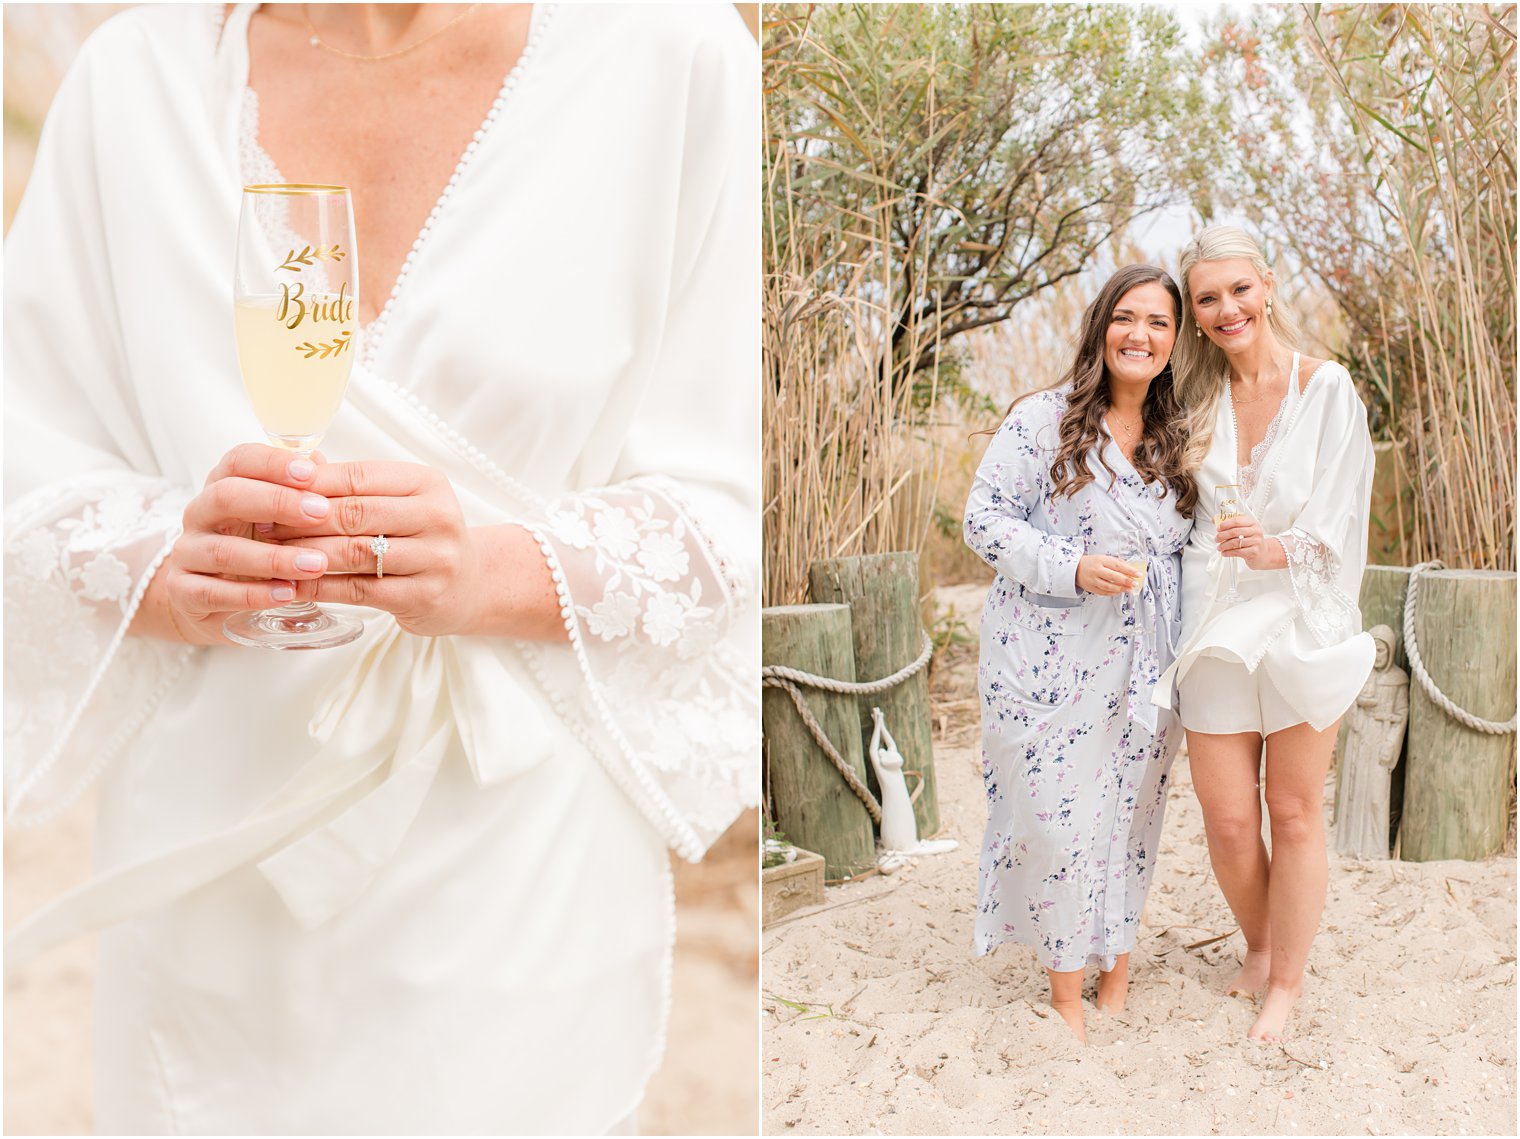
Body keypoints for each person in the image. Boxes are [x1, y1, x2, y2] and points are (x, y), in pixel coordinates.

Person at [3, 4, 758, 1133]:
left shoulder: (675, 62)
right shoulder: (131, 85)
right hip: (211, 872)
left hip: (514, 865)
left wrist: (489, 568)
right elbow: (24, 466)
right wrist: (164, 561)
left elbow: (734, 511)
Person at [964, 264, 1196, 1043]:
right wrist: (1070, 566)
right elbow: (984, 520)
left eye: (1158, 323)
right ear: (1102, 326)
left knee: (1130, 812)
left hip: (1146, 660)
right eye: (1126, 318)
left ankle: (1117, 971)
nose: (1141, 335)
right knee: (1058, 818)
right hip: (1049, 652)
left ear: (1175, 339)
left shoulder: (1181, 436)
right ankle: (1066, 992)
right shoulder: (1044, 420)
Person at [1155, 224, 1375, 1042]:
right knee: (1227, 817)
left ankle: (1286, 980)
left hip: (1299, 617)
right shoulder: (1195, 401)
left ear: (1269, 285)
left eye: (1238, 290)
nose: (1225, 309)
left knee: (1290, 807)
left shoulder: (1329, 390)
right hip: (1214, 620)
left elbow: (1344, 515)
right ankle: (1257, 943)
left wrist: (1281, 548)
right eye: (1207, 298)